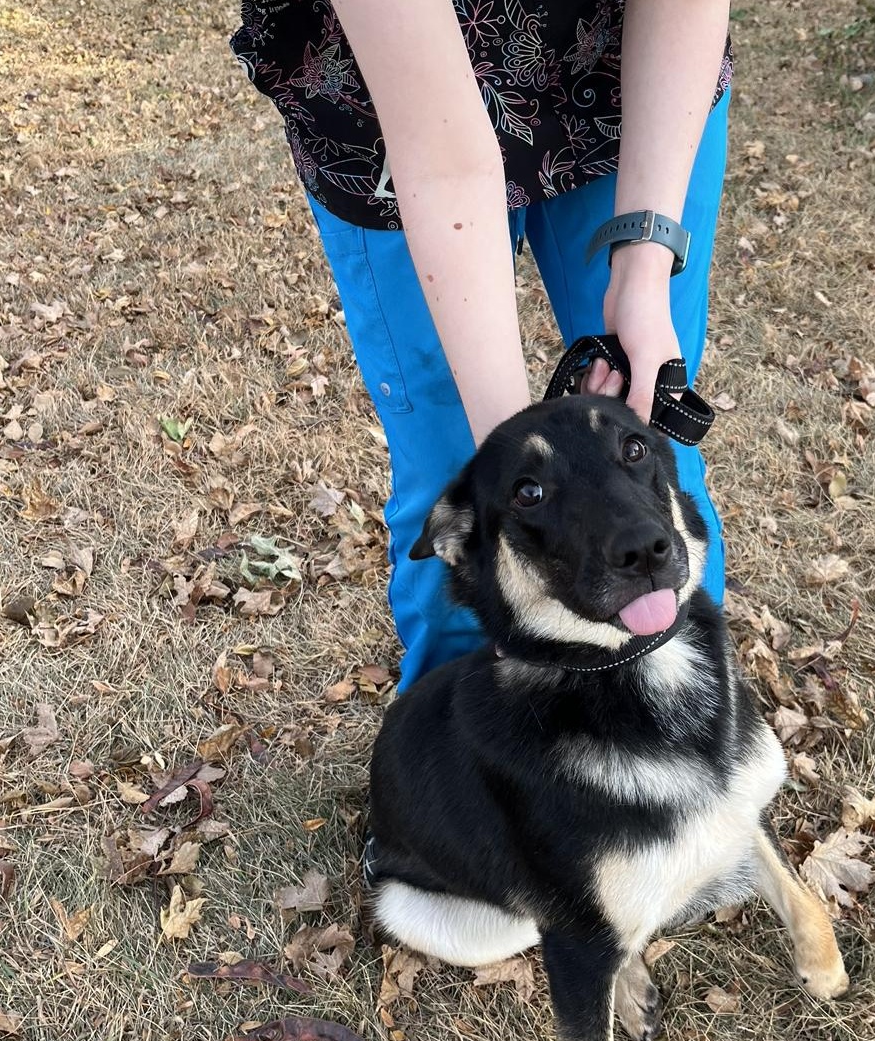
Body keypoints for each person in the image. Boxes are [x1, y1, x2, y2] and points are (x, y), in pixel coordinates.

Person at [232, 0, 733, 689]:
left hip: (628, 90)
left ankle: (682, 738)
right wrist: (513, 470)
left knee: (644, 447)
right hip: (388, 122)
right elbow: (442, 165)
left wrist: (645, 269)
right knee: (462, 499)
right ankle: (466, 774)